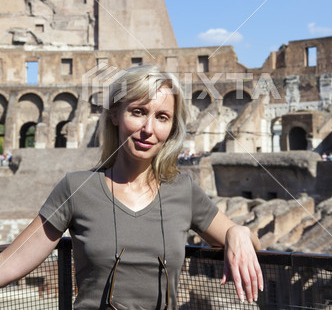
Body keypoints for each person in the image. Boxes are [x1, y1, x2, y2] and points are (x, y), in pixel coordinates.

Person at [0, 65, 263, 309]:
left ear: (171, 128)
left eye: (162, 117)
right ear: (115, 115)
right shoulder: (76, 188)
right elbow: (11, 262)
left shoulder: (183, 190)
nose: (148, 128)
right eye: (138, 112)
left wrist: (237, 232)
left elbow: (253, 244)